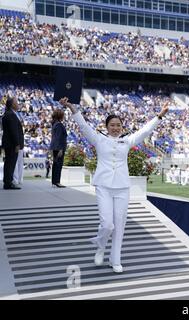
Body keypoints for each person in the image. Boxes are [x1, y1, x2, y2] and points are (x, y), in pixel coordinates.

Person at [60, 97, 169, 273]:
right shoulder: (98, 139)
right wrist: (71, 107)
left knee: (119, 225)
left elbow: (144, 131)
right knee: (107, 224)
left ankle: (115, 260)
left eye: (118, 125)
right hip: (103, 185)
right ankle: (100, 246)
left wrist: (159, 116)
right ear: (107, 126)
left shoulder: (127, 140)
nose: (116, 128)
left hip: (122, 187)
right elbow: (83, 125)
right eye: (112, 125)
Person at [1, 97, 24, 190]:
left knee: (9, 163)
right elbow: (13, 131)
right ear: (12, 104)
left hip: (9, 143)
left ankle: (8, 182)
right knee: (10, 163)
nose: (18, 104)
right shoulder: (10, 115)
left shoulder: (9, 114)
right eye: (16, 102)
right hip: (12, 144)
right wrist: (17, 144)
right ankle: (8, 183)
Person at [49, 109, 68, 188]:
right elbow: (58, 138)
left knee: (55, 165)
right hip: (59, 147)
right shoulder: (59, 125)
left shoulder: (55, 124)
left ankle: (54, 181)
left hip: (55, 147)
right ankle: (57, 182)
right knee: (58, 165)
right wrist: (60, 149)